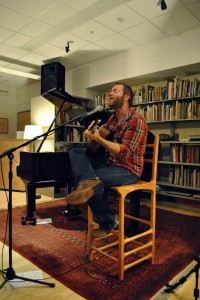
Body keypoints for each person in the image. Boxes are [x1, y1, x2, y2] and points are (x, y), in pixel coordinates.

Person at [66, 82, 148, 238]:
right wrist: (91, 135)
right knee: (76, 152)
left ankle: (108, 221)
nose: (109, 93)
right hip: (112, 165)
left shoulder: (137, 119)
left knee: (87, 181)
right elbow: (99, 138)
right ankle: (109, 217)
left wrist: (99, 139)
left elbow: (124, 150)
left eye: (115, 91)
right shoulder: (113, 118)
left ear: (126, 97)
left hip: (128, 171)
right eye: (110, 91)